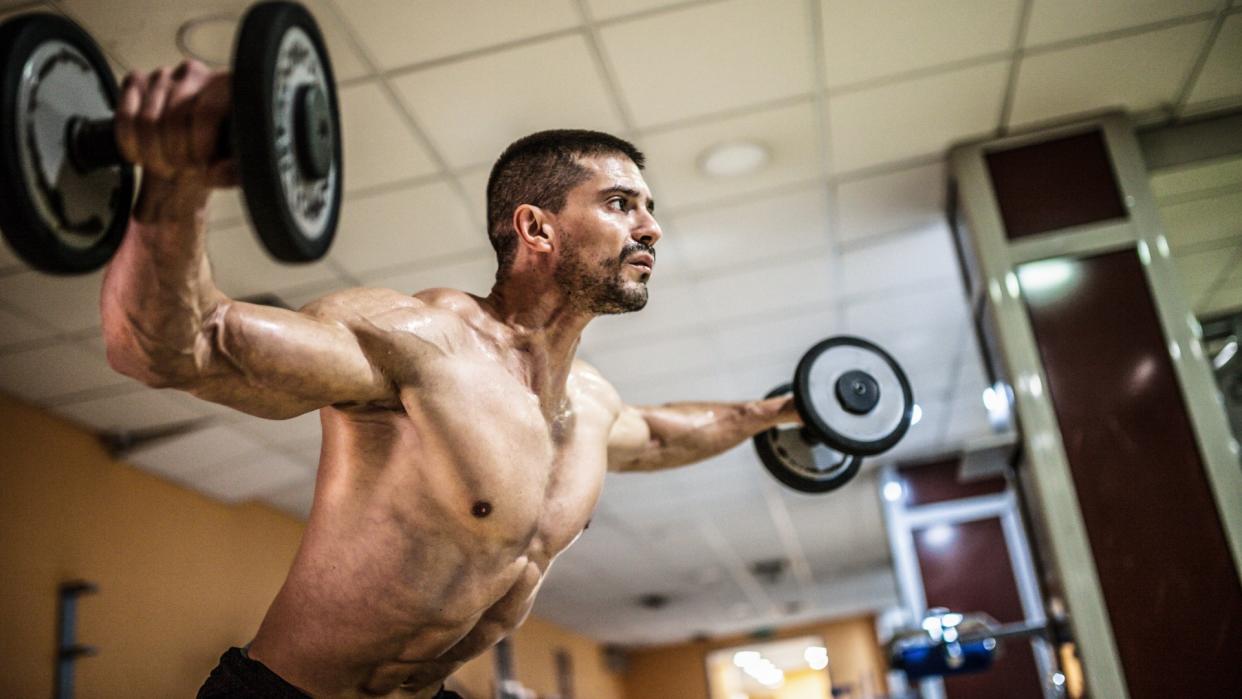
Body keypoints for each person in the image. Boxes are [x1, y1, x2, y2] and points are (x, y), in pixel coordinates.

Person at [101, 60, 800, 698]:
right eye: (622, 204)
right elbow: (175, 348)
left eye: (649, 208)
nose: (650, 228)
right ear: (536, 227)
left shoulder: (590, 402)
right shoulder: (420, 344)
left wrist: (776, 412)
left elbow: (659, 436)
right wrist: (176, 179)